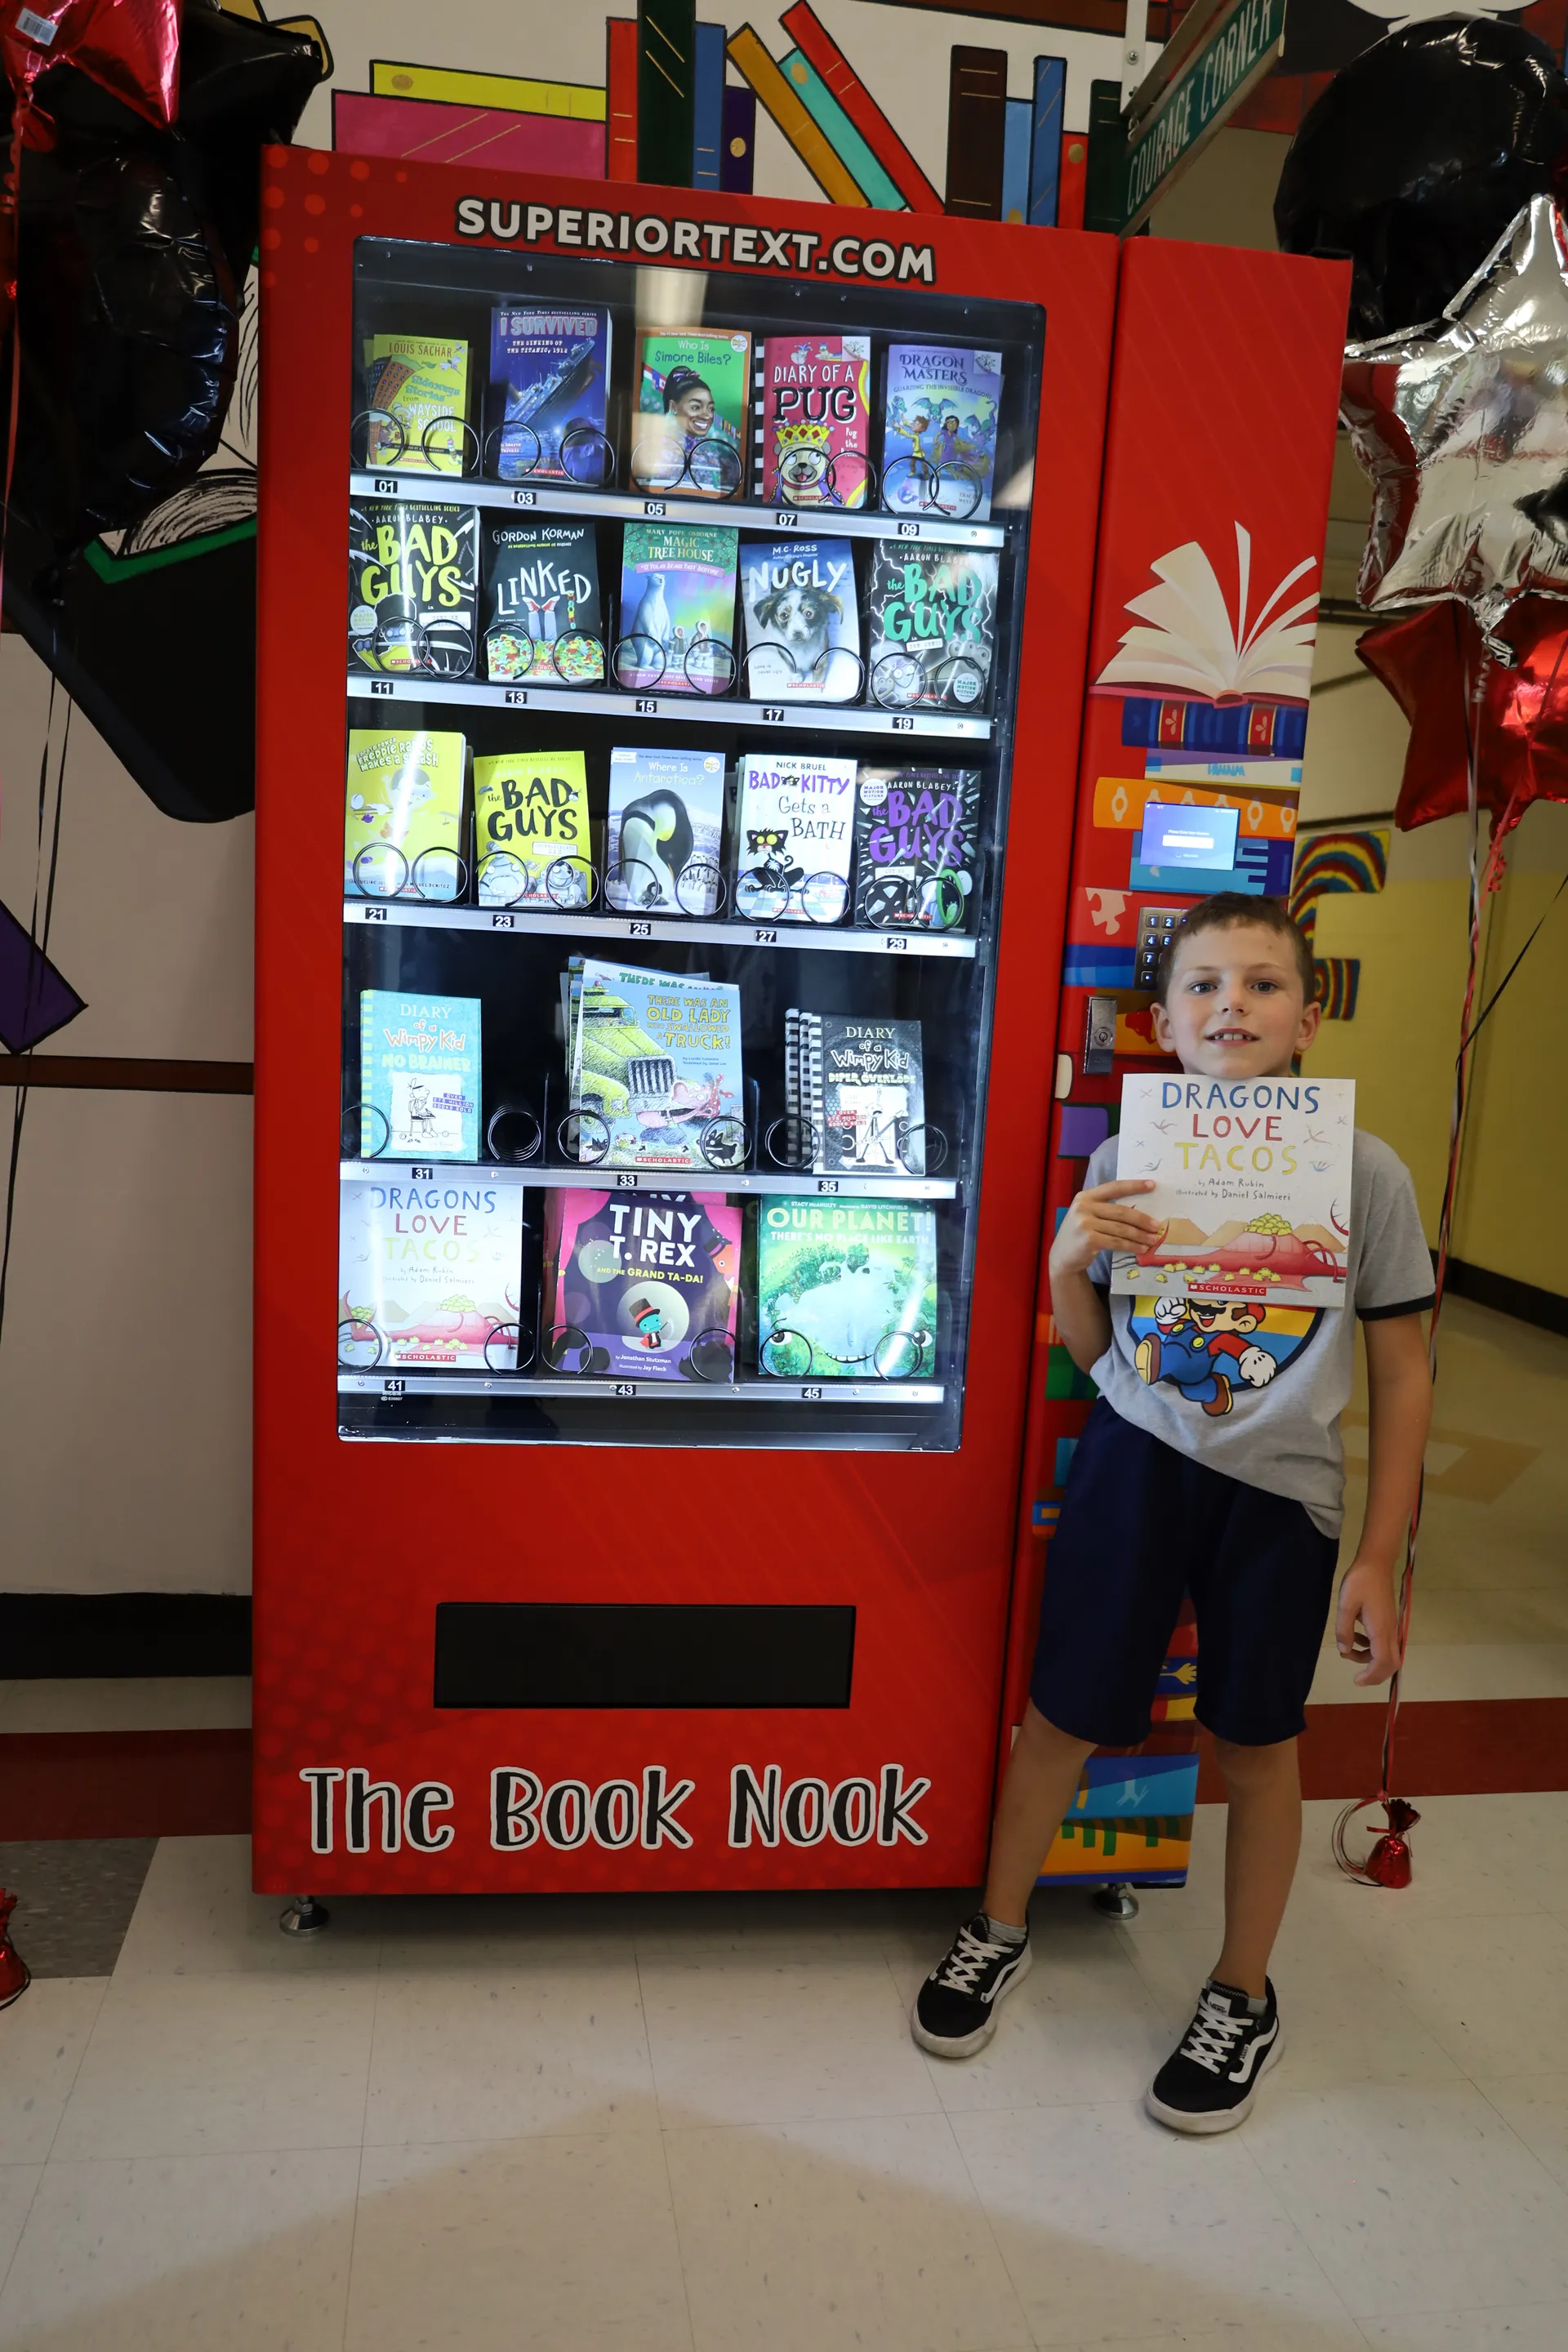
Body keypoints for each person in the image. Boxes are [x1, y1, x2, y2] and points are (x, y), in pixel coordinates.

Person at [911, 893, 1434, 2132]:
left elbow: (1406, 1371)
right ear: (1161, 1020)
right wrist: (1065, 1264)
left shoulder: (1367, 1172)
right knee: (1062, 1715)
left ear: (1309, 1016)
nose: (1231, 1005)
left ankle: (1242, 1992)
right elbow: (1100, 1356)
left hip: (1285, 1495)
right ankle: (997, 1926)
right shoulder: (1124, 1159)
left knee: (1255, 1744)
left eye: (1262, 984)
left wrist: (1379, 1558)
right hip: (1135, 1463)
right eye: (1202, 985)